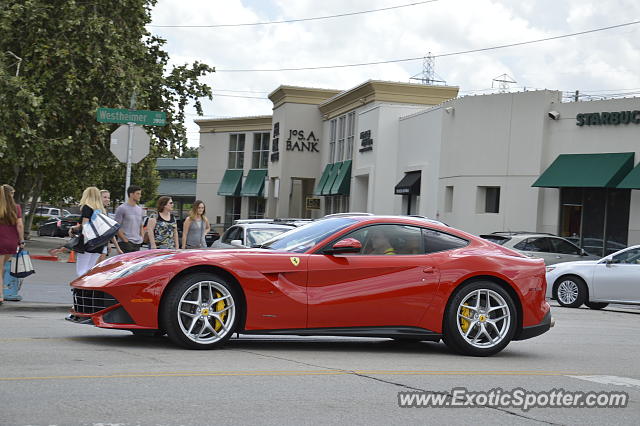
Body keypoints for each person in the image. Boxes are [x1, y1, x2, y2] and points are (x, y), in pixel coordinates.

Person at [68, 186, 107, 277]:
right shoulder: (101, 210)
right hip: (99, 243)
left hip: (88, 241)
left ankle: (82, 289)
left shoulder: (87, 207)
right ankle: (88, 289)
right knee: (90, 269)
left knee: (81, 270)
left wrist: (83, 239)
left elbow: (85, 225)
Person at [0, 185, 24, 305]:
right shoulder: (16, 208)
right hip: (11, 243)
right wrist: (22, 240)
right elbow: (19, 225)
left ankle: (0, 296)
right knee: (2, 268)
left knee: (0, 269)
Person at [115, 185, 145, 253]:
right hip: (125, 243)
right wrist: (125, 240)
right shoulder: (121, 208)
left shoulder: (140, 209)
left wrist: (142, 238)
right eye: (138, 193)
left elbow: (141, 225)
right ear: (131, 194)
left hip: (137, 243)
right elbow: (116, 226)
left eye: (140, 194)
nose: (140, 196)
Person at [97, 190, 122, 263]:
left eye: (108, 197)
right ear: (98, 198)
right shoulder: (97, 211)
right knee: (93, 270)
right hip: (96, 245)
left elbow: (109, 231)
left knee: (97, 270)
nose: (107, 199)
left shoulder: (104, 211)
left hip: (102, 244)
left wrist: (110, 244)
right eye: (105, 197)